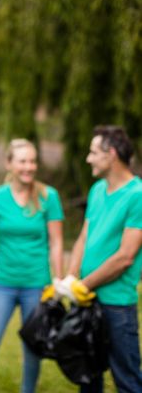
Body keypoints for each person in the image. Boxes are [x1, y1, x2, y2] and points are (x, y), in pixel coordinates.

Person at [0, 138, 64, 393]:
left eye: (32, 161)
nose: (28, 167)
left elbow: (56, 242)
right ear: (9, 164)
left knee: (33, 347)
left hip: (37, 285)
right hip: (2, 285)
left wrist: (58, 280)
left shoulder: (48, 196)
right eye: (22, 161)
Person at [58, 126, 142, 393]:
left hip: (116, 305)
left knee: (127, 380)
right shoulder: (96, 190)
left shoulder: (137, 195)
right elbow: (84, 237)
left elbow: (125, 257)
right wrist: (72, 278)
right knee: (88, 375)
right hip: (86, 300)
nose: (88, 158)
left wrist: (84, 284)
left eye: (94, 152)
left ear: (112, 154)